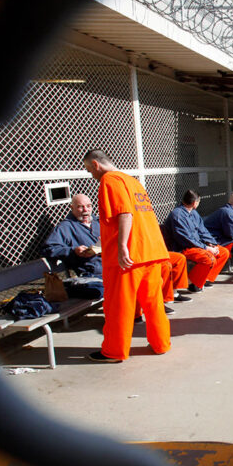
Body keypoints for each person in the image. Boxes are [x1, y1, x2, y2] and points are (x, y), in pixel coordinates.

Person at [83, 149, 170, 363]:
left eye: (88, 169)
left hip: (128, 257)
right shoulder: (132, 181)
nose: (90, 175)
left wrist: (122, 247)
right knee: (153, 303)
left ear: (96, 164)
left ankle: (113, 351)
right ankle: (161, 344)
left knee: (118, 305)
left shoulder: (109, 180)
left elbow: (125, 213)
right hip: (150, 252)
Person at [163, 190, 230, 293]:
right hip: (184, 247)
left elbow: (203, 230)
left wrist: (211, 243)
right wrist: (206, 248)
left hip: (197, 245)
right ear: (195, 203)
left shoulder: (193, 213)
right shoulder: (177, 215)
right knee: (209, 259)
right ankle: (192, 283)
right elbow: (186, 239)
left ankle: (203, 279)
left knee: (223, 252)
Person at [41, 194, 102, 277]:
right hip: (93, 273)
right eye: (80, 207)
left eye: (88, 206)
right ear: (72, 208)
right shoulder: (65, 227)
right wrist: (73, 251)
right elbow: (49, 249)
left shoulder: (100, 222)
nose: (85, 210)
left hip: (113, 266)